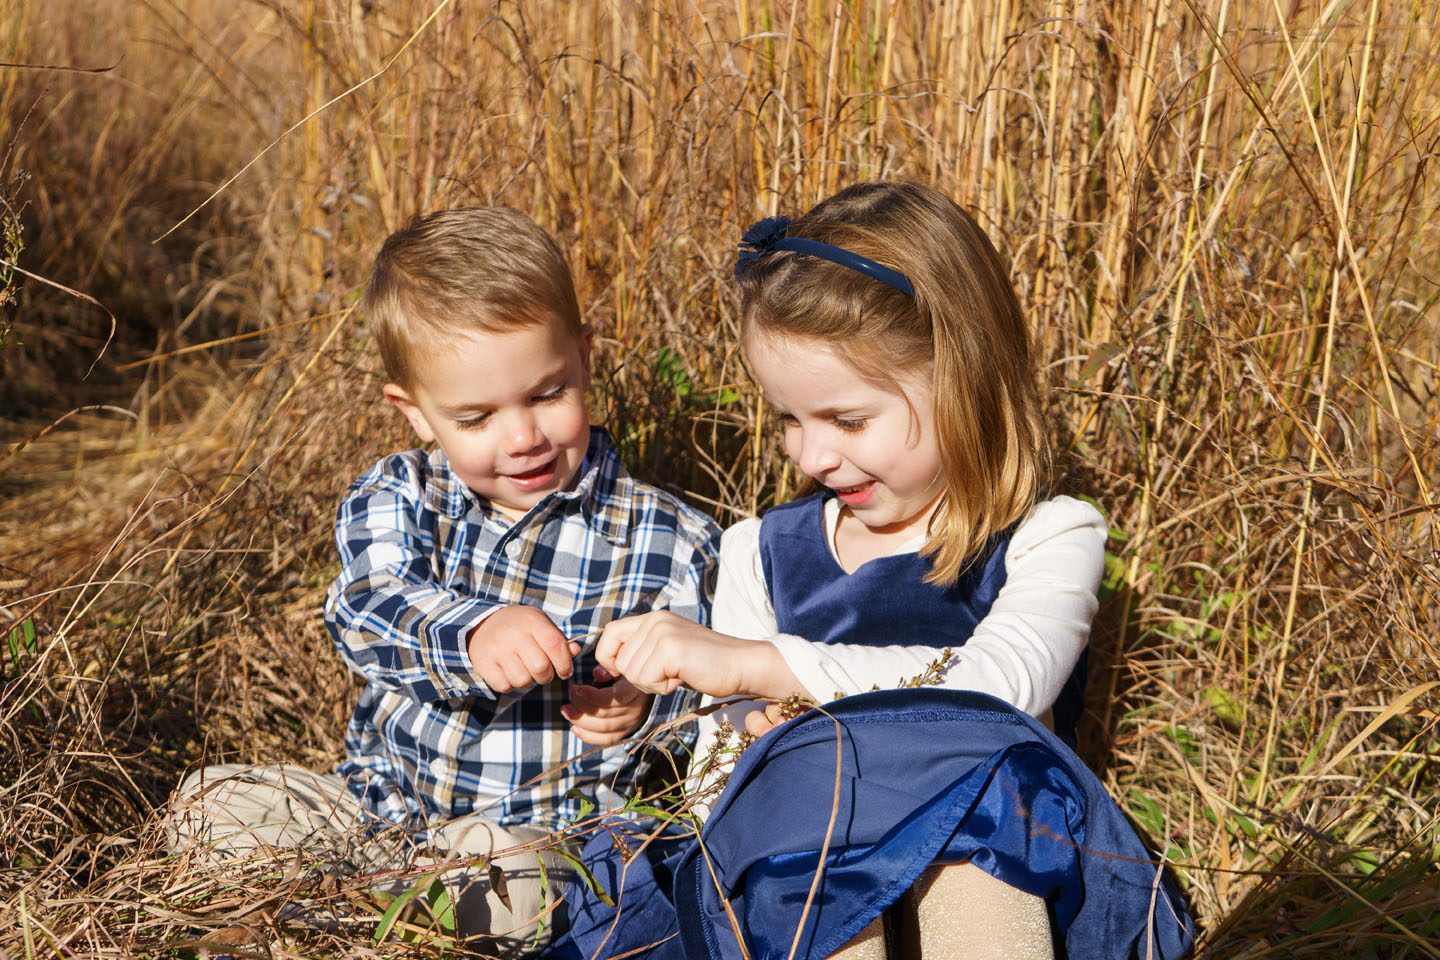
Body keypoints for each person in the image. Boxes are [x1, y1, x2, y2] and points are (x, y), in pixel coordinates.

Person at [556, 182, 1192, 960]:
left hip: (989, 853)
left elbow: (997, 691)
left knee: (987, 826)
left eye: (849, 420)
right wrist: (744, 735)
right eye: (789, 418)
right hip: (810, 861)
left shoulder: (1049, 537)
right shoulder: (761, 552)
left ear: (965, 378)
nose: (813, 455)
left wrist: (765, 668)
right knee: (800, 847)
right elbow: (716, 784)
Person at [167, 206, 721, 955]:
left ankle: (328, 918)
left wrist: (643, 707)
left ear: (585, 361)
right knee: (213, 803)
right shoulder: (401, 496)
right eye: (475, 416)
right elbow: (365, 609)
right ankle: (353, 901)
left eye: (548, 395)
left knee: (514, 884)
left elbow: (705, 700)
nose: (521, 436)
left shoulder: (672, 540)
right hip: (373, 808)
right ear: (417, 413)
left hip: (528, 837)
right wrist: (473, 631)